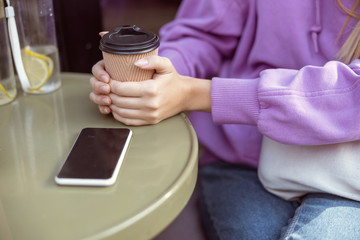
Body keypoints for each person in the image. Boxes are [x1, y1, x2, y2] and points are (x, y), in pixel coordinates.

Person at [89, 0, 360, 239]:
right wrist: (153, 76)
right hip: (240, 161)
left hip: (347, 175)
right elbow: (201, 33)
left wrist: (194, 94)